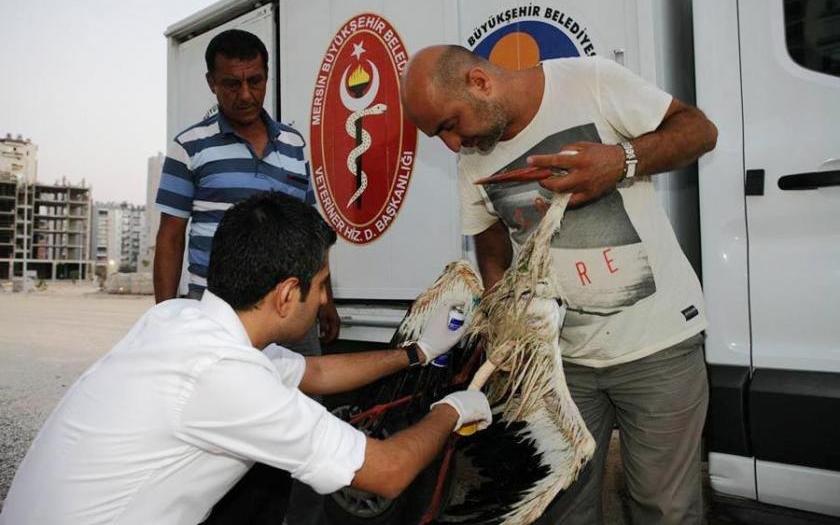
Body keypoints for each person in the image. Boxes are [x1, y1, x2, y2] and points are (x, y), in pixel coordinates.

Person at [0, 192, 492, 525]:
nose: (324, 302)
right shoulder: (221, 375)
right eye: (321, 287)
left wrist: (417, 352)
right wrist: (454, 408)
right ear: (285, 296)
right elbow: (385, 471)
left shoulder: (180, 321)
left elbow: (314, 372)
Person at [400, 45, 718, 525]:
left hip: (657, 348)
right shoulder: (473, 159)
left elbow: (699, 131)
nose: (450, 145)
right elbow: (492, 250)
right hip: (559, 366)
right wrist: (504, 326)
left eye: (448, 124)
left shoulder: (589, 81)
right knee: (562, 506)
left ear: (479, 82)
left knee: (664, 508)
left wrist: (621, 160)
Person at [153, 29, 337, 523]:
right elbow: (171, 237)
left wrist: (326, 299)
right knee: (225, 449)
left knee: (309, 432)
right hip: (220, 326)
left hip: (293, 319)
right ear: (211, 83)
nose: (245, 94)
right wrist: (166, 315)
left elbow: (311, 231)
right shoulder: (189, 147)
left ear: (267, 77)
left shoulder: (295, 144)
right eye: (231, 83)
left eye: (255, 81)